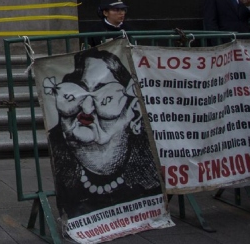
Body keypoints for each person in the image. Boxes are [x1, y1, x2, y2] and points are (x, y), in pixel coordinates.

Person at [42, 48, 162, 218]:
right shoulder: (61, 158)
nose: (86, 108)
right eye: (74, 94)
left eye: (106, 96)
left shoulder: (148, 171)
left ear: (133, 113)